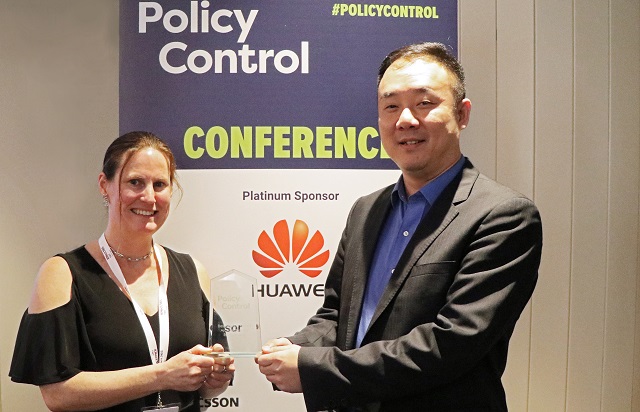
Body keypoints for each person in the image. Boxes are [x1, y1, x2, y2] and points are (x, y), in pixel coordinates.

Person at [255, 42, 543, 411]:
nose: (405, 119)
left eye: (424, 103)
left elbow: (451, 345)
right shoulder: (366, 210)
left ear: (462, 114)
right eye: (391, 106)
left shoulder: (504, 216)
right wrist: (296, 348)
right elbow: (338, 315)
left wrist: (313, 368)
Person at [10, 131, 234, 411]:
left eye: (160, 184)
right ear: (104, 185)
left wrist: (215, 379)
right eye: (135, 182)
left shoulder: (193, 272)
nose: (149, 197)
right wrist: (161, 375)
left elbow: (207, 389)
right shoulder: (62, 274)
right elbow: (57, 395)